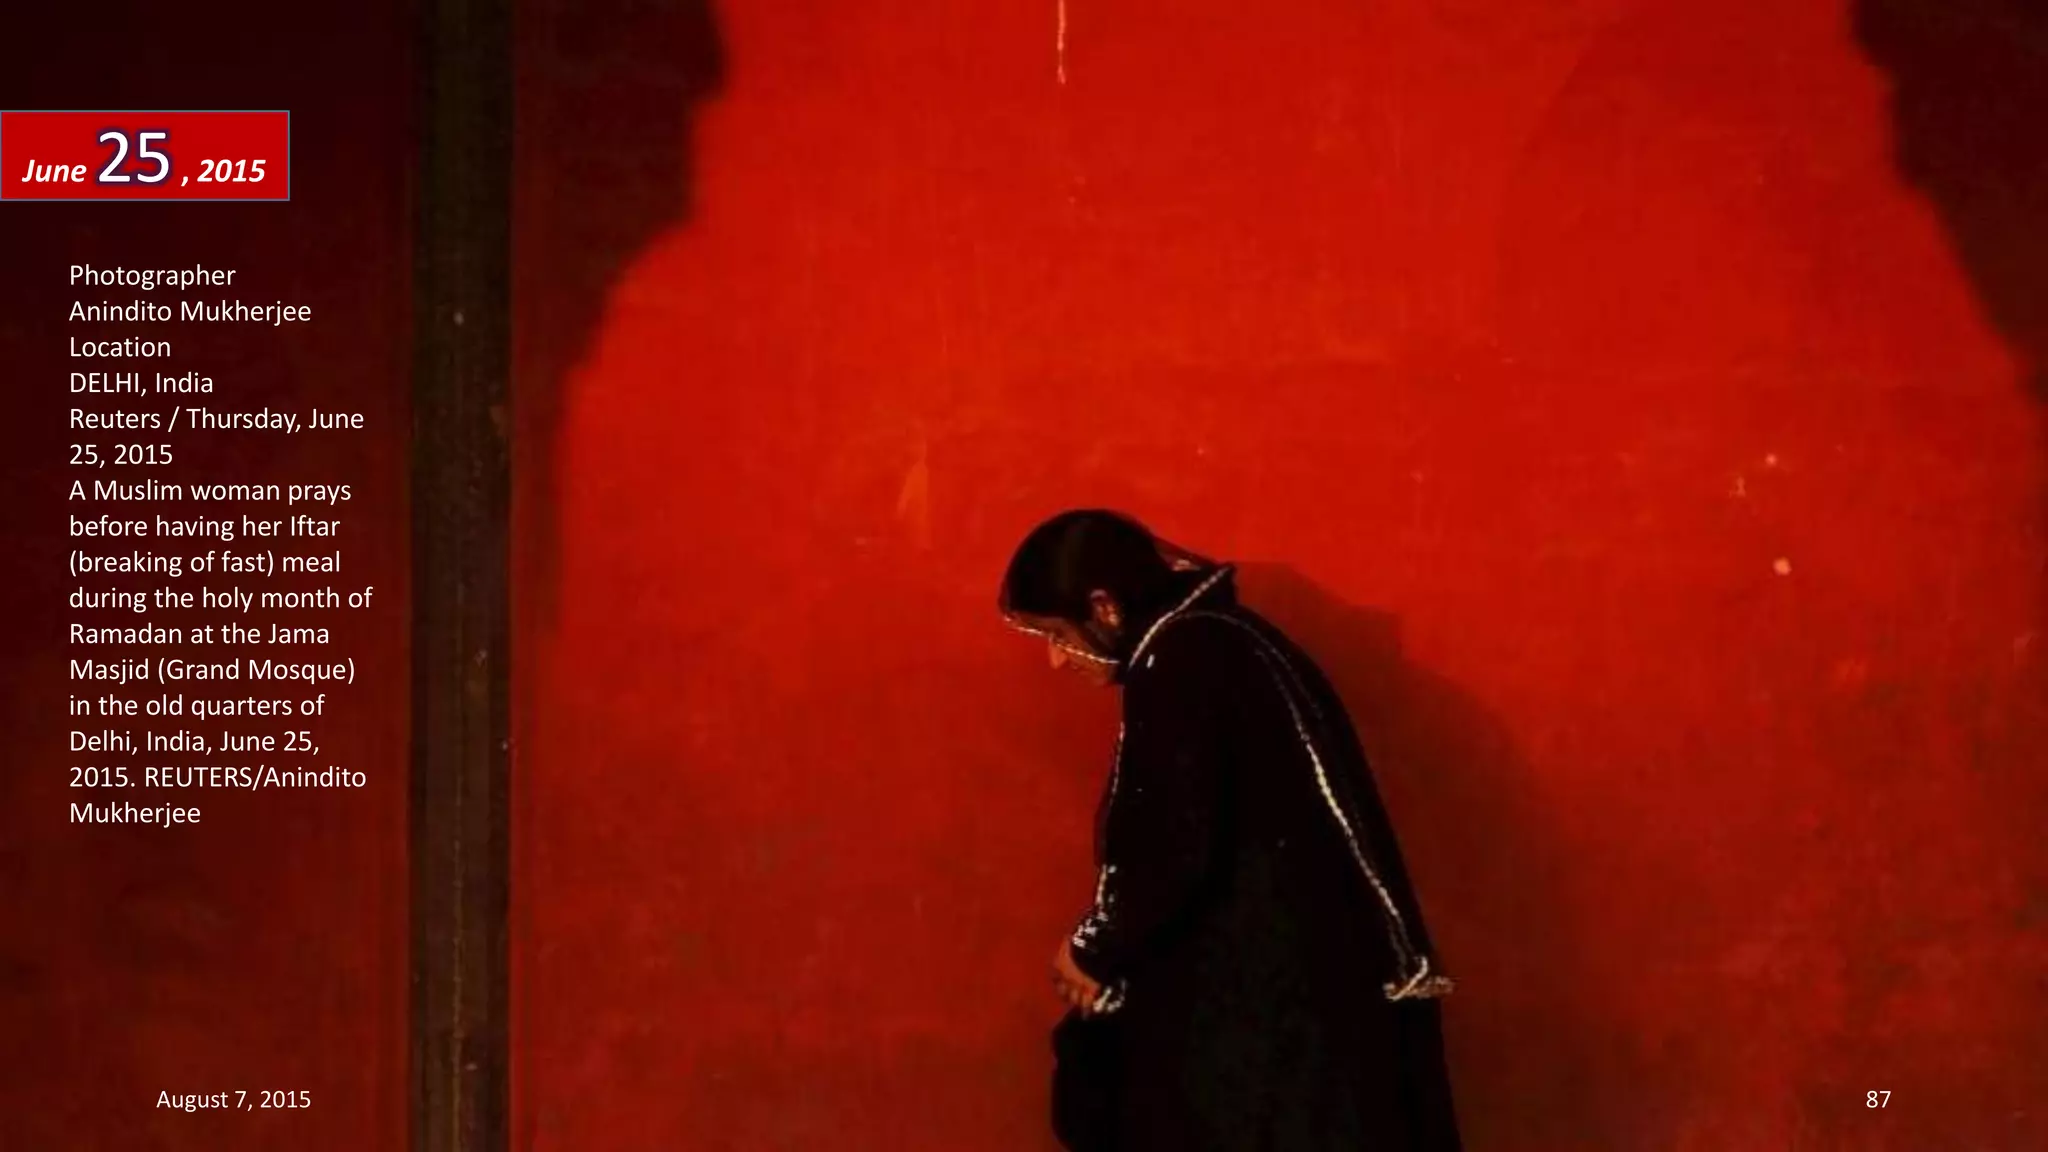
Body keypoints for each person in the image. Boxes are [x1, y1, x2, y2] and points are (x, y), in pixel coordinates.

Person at [1000, 509, 1462, 1152]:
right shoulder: (1224, 640)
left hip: (1278, 1003)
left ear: (1103, 606)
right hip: (1308, 984)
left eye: (1055, 633)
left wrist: (1094, 946)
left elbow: (1171, 837)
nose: (1056, 659)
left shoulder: (1184, 658)